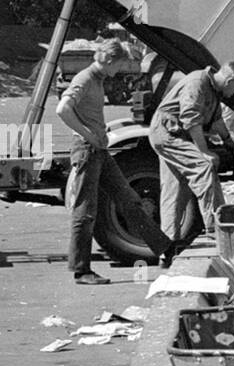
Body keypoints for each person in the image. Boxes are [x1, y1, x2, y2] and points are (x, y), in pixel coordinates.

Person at [57, 38, 171, 285]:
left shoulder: (97, 79)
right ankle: (81, 271)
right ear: (108, 60)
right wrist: (88, 133)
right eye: (118, 65)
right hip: (87, 149)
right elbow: (63, 109)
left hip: (99, 150)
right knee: (85, 211)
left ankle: (164, 248)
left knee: (129, 199)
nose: (118, 71)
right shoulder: (85, 79)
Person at [151, 60, 234, 265]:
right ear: (231, 80)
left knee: (175, 189)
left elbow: (215, 121)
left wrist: (228, 141)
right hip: (168, 133)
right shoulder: (197, 82)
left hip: (174, 134)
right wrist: (204, 152)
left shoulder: (213, 90)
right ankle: (217, 230)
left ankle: (167, 246)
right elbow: (191, 118)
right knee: (204, 168)